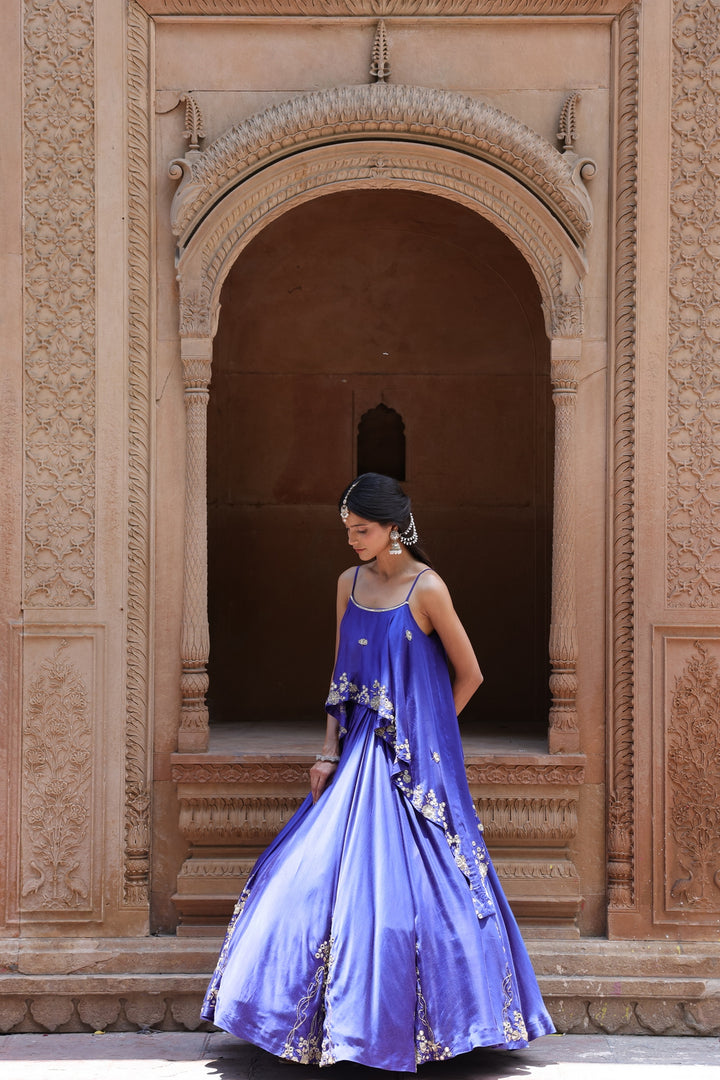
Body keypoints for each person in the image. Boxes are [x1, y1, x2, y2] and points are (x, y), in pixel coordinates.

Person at [201, 473, 555, 1071]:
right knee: (313, 876)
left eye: (361, 531)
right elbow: (340, 674)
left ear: (394, 528)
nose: (352, 542)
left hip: (415, 760)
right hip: (356, 751)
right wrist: (326, 751)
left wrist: (429, 732)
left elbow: (468, 675)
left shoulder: (428, 589)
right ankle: (313, 1024)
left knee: (419, 885)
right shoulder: (349, 583)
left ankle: (428, 1026)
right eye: (347, 531)